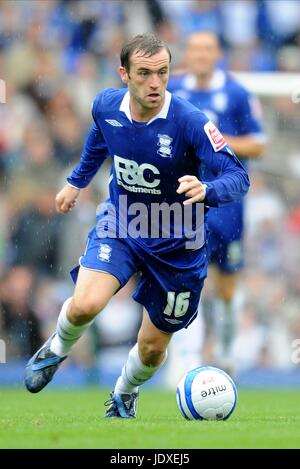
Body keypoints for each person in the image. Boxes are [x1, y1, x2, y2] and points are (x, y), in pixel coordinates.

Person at [24, 32, 249, 418]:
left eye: (162, 73)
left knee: (152, 348)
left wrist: (208, 189)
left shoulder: (190, 121)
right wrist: (76, 181)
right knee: (85, 305)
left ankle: (124, 392)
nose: (155, 83)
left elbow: (238, 176)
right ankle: (57, 348)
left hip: (180, 244)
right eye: (145, 73)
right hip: (123, 224)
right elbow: (100, 139)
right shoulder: (106, 105)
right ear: (124, 74)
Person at [168, 31, 266, 373]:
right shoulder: (173, 91)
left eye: (207, 49)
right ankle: (187, 361)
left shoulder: (236, 93)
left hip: (227, 203)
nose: (200, 55)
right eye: (194, 48)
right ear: (187, 53)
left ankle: (225, 351)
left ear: (217, 54)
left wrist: (213, 142)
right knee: (186, 278)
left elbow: (258, 144)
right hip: (184, 202)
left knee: (226, 287)